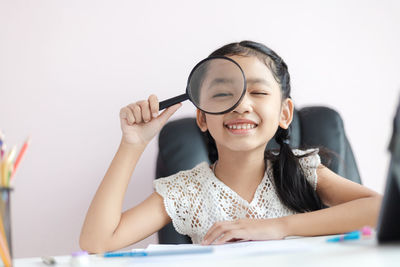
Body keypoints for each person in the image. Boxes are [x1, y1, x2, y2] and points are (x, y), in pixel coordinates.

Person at [79, 41, 382, 253]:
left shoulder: (303, 169)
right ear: (201, 115)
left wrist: (277, 227)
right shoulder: (187, 191)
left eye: (258, 91)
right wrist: (133, 144)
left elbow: (380, 210)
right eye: (224, 94)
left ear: (284, 114)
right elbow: (97, 241)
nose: (242, 105)